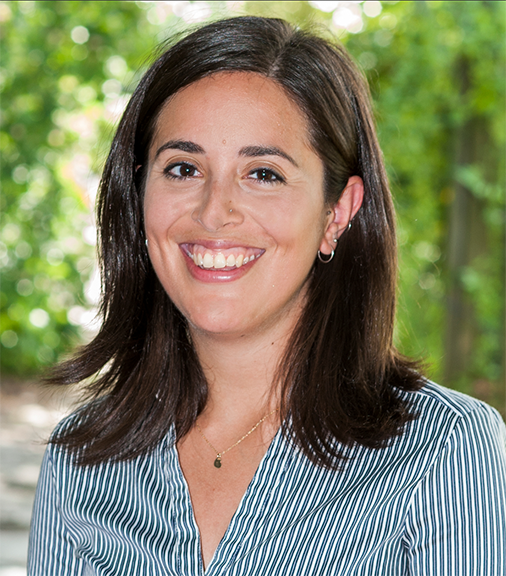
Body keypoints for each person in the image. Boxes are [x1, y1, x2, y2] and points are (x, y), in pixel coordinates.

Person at [28, 16, 506, 575]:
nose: (213, 212)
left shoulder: (444, 453)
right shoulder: (82, 457)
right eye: (183, 168)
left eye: (264, 173)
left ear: (337, 212)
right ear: (138, 193)